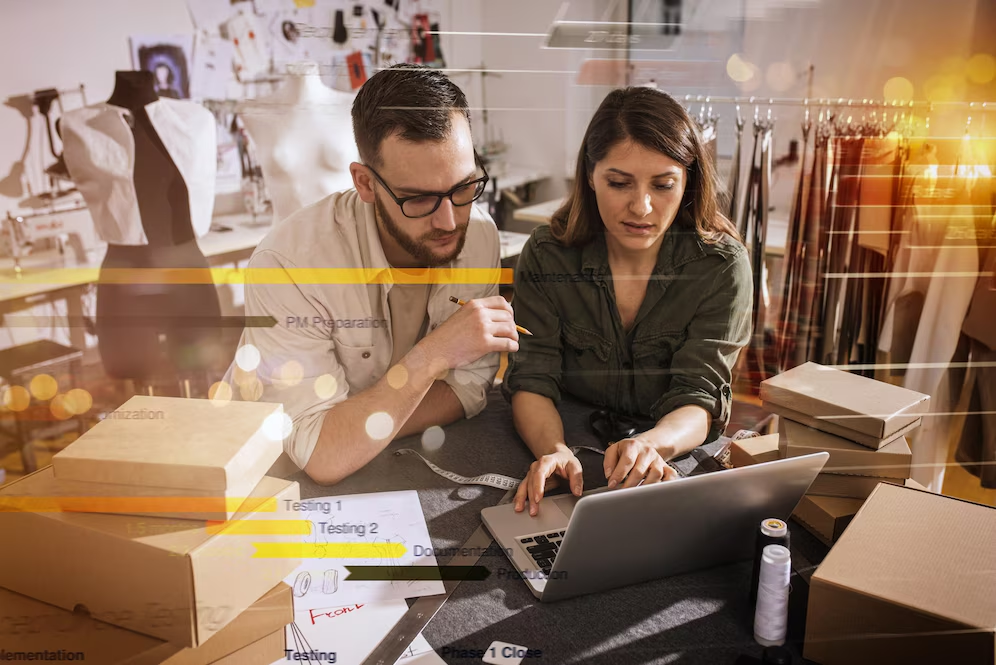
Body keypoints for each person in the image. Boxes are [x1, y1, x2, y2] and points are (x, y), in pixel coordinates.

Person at [225, 64, 518, 484]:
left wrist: (360, 425)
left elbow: (470, 388)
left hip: (388, 463)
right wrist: (436, 353)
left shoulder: (479, 234)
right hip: (270, 481)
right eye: (418, 199)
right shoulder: (288, 264)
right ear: (365, 183)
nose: (450, 222)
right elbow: (319, 453)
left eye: (463, 188)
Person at [502, 87, 752, 515]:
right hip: (564, 435)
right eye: (619, 183)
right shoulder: (547, 254)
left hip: (667, 448)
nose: (642, 206)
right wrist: (555, 449)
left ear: (689, 179)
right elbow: (532, 376)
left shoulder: (721, 266)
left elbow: (699, 394)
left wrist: (652, 444)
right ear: (590, 176)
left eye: (664, 184)